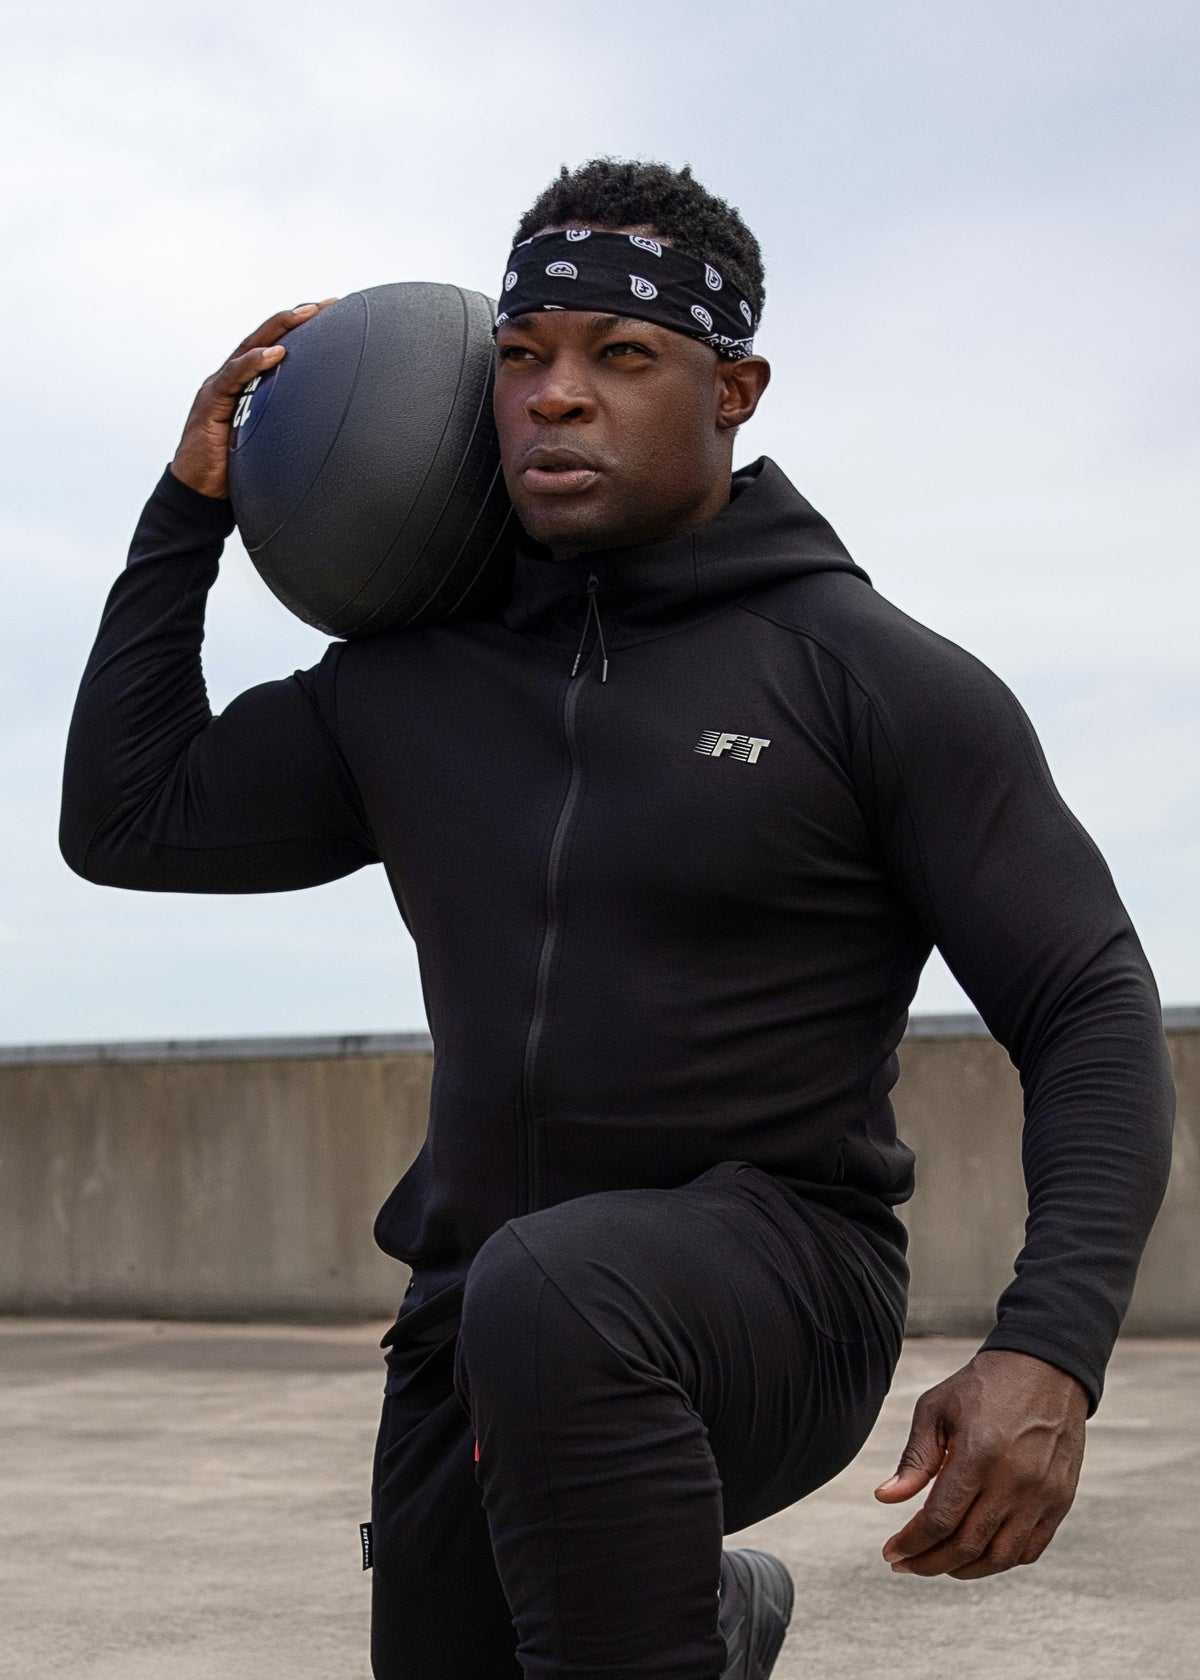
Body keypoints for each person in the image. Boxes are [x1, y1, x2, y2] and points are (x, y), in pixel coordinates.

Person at [60, 158, 1174, 1680]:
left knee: (563, 1293)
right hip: (474, 1320)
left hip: (781, 1286)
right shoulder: (414, 682)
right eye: (522, 358)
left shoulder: (868, 678)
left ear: (736, 388)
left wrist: (1051, 1346)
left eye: (621, 355)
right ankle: (712, 1613)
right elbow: (128, 821)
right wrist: (189, 512)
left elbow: (1090, 1002)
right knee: (515, 1369)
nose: (556, 398)